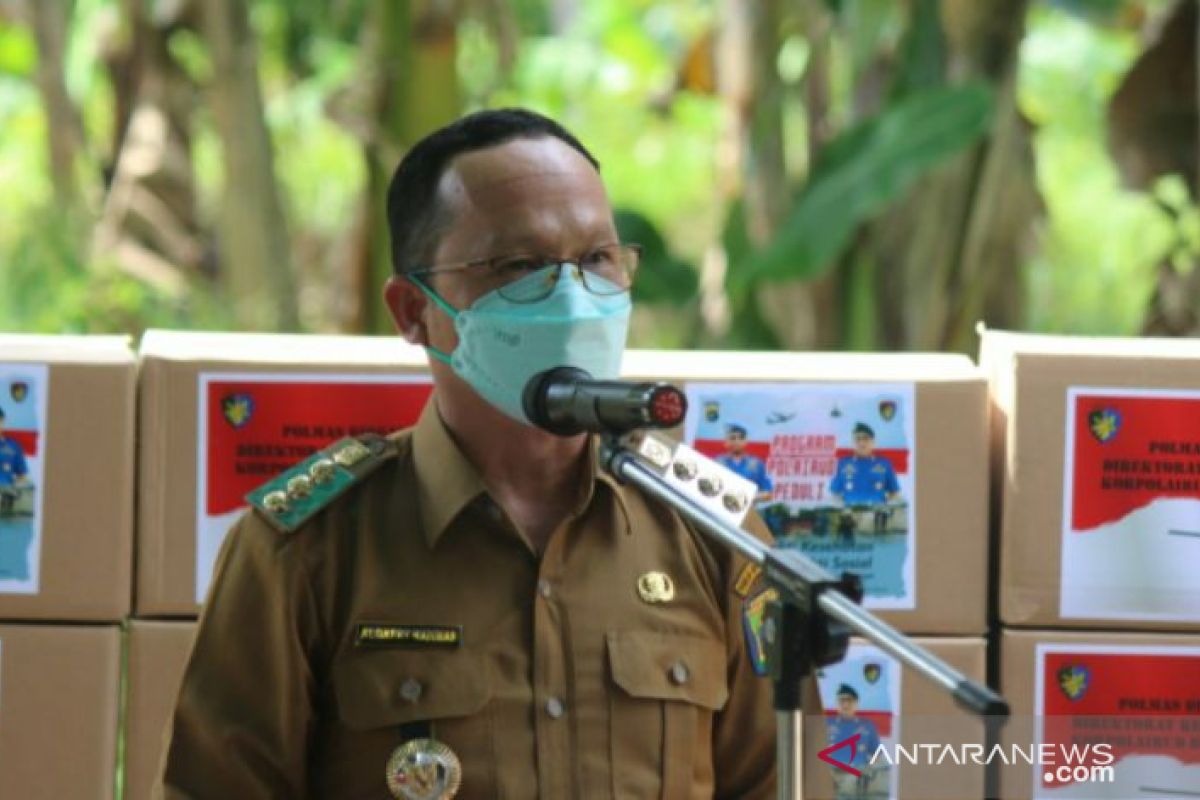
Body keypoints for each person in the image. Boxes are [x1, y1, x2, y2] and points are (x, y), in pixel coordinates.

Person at [157, 109, 782, 799]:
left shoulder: (714, 534)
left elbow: (767, 780)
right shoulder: (304, 552)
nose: (574, 301)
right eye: (519, 266)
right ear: (412, 312)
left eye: (598, 259)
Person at [829, 422, 900, 534]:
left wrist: (885, 507)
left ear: (873, 442)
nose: (861, 442)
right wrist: (843, 510)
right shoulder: (843, 463)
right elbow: (834, 493)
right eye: (858, 439)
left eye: (866, 439)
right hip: (850, 518)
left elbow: (895, 492)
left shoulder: (884, 463)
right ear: (852, 443)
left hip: (877, 518)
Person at [825, 683, 884, 799]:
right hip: (831, 779)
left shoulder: (866, 726)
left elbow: (877, 753)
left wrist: (868, 771)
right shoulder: (826, 724)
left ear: (856, 704)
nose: (845, 704)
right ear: (837, 704)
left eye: (849, 700)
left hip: (857, 780)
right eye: (842, 700)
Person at [714, 423, 774, 504]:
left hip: (745, 510)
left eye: (741, 438)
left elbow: (768, 493)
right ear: (726, 442)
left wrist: (747, 497)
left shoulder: (755, 465)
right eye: (733, 438)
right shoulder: (718, 463)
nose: (737, 441)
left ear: (746, 441)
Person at [0, 406, 29, 517]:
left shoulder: (13, 446)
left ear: (3, 422)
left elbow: (22, 476)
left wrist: (17, 488)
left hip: (7, 499)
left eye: (0, 421)